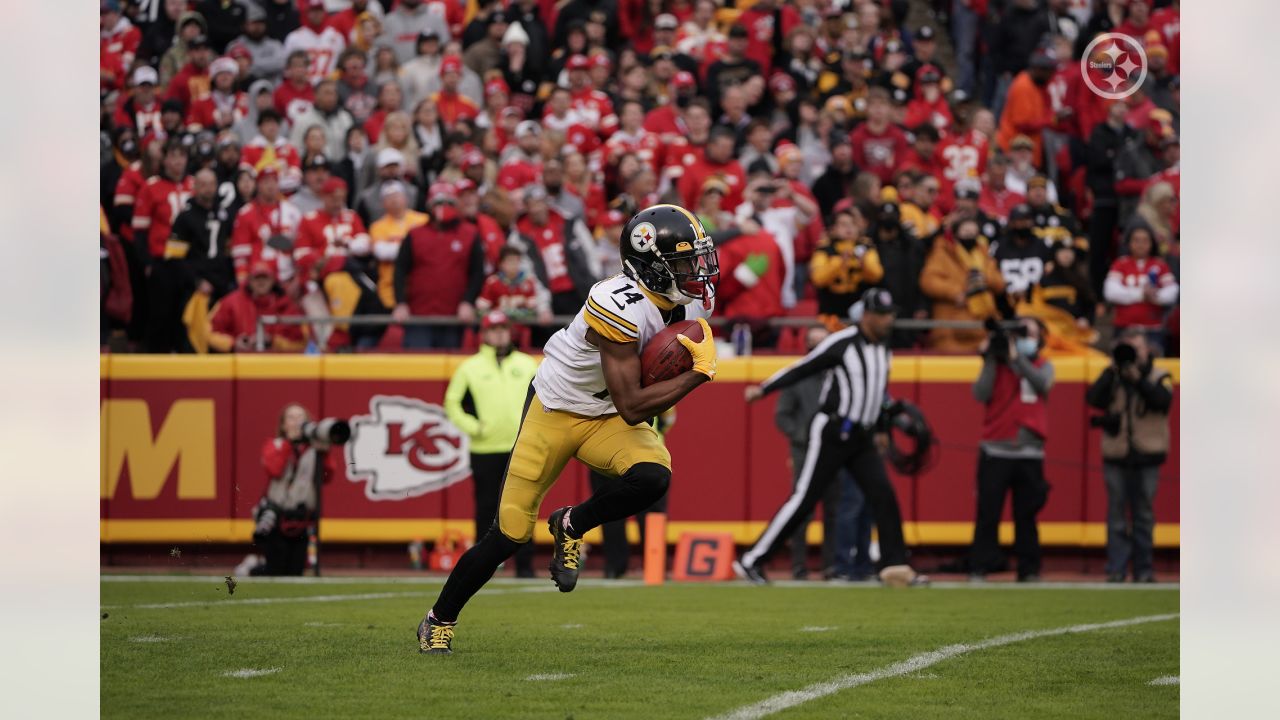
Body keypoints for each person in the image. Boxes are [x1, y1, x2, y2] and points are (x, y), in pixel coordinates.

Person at [416, 204, 719, 654]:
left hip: (604, 417)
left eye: (697, 259)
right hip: (556, 410)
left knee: (653, 476)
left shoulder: (681, 303)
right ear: (651, 267)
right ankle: (439, 618)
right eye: (683, 263)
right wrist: (697, 374)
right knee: (508, 535)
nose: (697, 271)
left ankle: (572, 523)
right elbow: (634, 406)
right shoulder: (616, 304)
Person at [737, 288, 923, 588]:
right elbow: (803, 367)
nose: (889, 320)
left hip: (862, 437)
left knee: (884, 497)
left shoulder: (883, 346)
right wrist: (765, 388)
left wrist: (880, 430)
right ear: (867, 316)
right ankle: (752, 560)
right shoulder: (843, 342)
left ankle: (895, 566)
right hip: (833, 432)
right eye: (883, 315)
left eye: (890, 314)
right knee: (804, 499)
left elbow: (876, 391)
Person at [443, 310, 541, 578]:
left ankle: (525, 567)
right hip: (485, 448)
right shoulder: (470, 367)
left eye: (503, 329)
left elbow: (545, 396)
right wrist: (475, 428)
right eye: (494, 329)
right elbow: (452, 403)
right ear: (483, 334)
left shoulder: (527, 363)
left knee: (523, 506)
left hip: (521, 446)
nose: (499, 334)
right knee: (486, 508)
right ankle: (484, 569)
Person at [969, 317, 1053, 582]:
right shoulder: (998, 365)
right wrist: (992, 358)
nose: (1023, 337)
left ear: (1039, 338)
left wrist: (1018, 359)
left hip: (1030, 452)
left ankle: (1029, 569)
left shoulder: (1043, 364)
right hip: (996, 449)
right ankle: (980, 566)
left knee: (1026, 515)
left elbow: (1041, 383)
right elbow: (980, 393)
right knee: (987, 514)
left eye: (1028, 333)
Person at [1086, 330, 1174, 583]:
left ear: (1148, 350)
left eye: (1136, 348)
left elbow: (1162, 401)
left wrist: (1137, 378)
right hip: (1117, 452)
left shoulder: (1159, 375)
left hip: (1147, 454)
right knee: (1116, 514)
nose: (1132, 354)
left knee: (1144, 514)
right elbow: (1093, 398)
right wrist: (1112, 371)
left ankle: (1144, 569)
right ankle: (1116, 569)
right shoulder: (1113, 374)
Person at [238, 403, 333, 576]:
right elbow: (274, 469)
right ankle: (251, 568)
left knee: (295, 571)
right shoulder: (275, 445)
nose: (296, 422)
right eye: (291, 417)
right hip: (276, 515)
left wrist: (324, 453)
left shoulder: (313, 451)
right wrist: (290, 443)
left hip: (302, 517)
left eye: (300, 417)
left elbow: (327, 477)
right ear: (283, 425)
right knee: (275, 569)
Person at [392, 182, 484, 350]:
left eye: (448, 203)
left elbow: (477, 272)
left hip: (454, 317)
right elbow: (400, 269)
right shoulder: (415, 234)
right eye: (439, 203)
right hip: (418, 316)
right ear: (430, 205)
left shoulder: (469, 233)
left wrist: (468, 301)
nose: (444, 208)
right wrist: (400, 303)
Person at [920, 217, 1006, 353]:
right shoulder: (943, 253)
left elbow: (1000, 284)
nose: (970, 235)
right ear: (955, 234)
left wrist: (984, 279)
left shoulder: (984, 255)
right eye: (966, 231)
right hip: (951, 331)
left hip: (982, 330)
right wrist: (955, 293)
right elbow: (928, 281)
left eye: (973, 232)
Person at [1104, 226, 1179, 353]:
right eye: (1136, 240)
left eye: (1145, 241)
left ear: (1152, 243)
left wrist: (1155, 296)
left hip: (1153, 329)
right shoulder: (1120, 264)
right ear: (1129, 243)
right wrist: (1141, 294)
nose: (1140, 245)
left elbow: (1172, 291)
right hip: (1124, 328)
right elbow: (1110, 292)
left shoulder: (1160, 265)